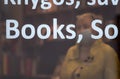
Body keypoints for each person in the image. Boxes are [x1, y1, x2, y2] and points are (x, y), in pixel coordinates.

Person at [60, 13, 119, 79]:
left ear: (97, 29)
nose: (81, 31)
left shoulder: (107, 52)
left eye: (86, 27)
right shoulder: (71, 51)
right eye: (78, 28)